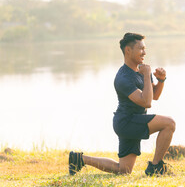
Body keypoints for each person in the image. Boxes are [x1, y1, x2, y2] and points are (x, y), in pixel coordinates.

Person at [69, 33, 176, 176]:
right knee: (169, 123)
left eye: (145, 48)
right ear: (128, 50)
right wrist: (146, 74)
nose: (144, 52)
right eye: (141, 49)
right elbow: (147, 102)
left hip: (133, 120)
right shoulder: (123, 78)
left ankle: (79, 159)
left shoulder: (143, 70)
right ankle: (156, 167)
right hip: (127, 122)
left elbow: (154, 96)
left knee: (124, 170)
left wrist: (161, 81)